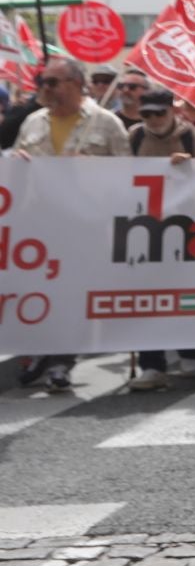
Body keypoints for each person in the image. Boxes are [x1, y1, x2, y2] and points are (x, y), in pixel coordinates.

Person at [12, 58, 133, 393]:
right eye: (42, 82)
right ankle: (41, 351)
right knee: (39, 291)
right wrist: (16, 163)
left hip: (85, 224)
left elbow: (128, 174)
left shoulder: (107, 123)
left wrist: (94, 168)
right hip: (39, 221)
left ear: (76, 84)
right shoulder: (33, 122)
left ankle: (61, 361)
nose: (45, 89)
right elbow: (15, 164)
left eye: (53, 82)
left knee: (71, 294)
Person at [125, 88, 195, 392]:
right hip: (144, 228)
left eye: (158, 113)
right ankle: (152, 364)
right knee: (146, 297)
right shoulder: (134, 137)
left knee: (186, 294)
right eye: (146, 114)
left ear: (172, 111)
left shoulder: (192, 137)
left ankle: (190, 353)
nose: (153, 120)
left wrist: (190, 165)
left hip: (185, 227)